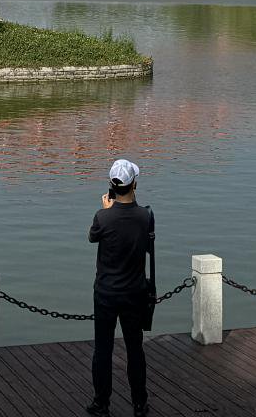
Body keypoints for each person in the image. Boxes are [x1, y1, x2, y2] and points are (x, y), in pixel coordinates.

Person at [86, 157, 155, 417]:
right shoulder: (144, 216)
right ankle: (139, 403)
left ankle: (101, 403)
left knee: (102, 349)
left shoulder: (102, 217)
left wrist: (106, 208)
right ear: (134, 183)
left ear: (112, 186)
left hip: (105, 292)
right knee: (135, 349)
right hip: (134, 292)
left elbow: (93, 237)